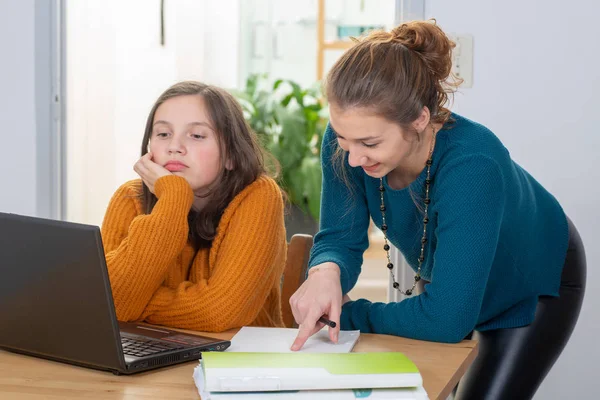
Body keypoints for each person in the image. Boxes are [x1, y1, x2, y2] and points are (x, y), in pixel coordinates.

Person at [289, 20, 586, 399]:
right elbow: (339, 235)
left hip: (531, 276)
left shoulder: (473, 164)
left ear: (420, 119)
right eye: (344, 140)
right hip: (452, 269)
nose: (353, 158)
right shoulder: (348, 140)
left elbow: (445, 320)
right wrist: (324, 273)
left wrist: (348, 315)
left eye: (369, 143)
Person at [101, 81, 287, 332]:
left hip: (240, 360)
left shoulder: (258, 195)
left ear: (231, 155)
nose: (174, 146)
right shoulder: (129, 198)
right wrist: (173, 198)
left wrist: (139, 304)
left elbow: (219, 312)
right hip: (155, 353)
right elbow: (109, 304)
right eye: (163, 134)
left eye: (197, 135)